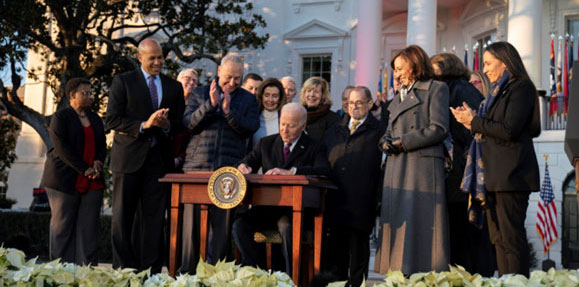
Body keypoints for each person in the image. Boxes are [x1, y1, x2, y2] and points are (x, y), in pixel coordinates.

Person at [451, 41, 541, 277]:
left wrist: (473, 121)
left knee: (512, 239)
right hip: (491, 176)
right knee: (498, 239)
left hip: (512, 175)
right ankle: (505, 281)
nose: (486, 69)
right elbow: (490, 129)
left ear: (505, 61)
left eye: (489, 63)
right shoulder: (495, 93)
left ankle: (519, 282)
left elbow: (509, 129)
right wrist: (471, 121)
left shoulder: (521, 87)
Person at [105, 38, 185, 273]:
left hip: (159, 162)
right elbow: (112, 119)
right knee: (122, 218)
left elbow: (179, 124)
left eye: (161, 57)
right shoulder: (123, 81)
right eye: (153, 58)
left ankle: (150, 272)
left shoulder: (174, 87)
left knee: (154, 220)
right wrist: (145, 124)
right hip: (127, 159)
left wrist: (166, 125)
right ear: (139, 57)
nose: (159, 62)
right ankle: (123, 271)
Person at [375, 45, 450, 275]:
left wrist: (401, 142)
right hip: (397, 168)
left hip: (421, 169)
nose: (396, 74)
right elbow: (389, 129)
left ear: (415, 64)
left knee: (421, 228)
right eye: (395, 69)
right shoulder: (398, 96)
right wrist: (385, 142)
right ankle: (399, 275)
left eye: (400, 68)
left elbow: (439, 128)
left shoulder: (437, 88)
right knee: (399, 227)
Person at [234, 102, 330, 274]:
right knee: (240, 225)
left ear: (303, 126)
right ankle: (259, 272)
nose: (285, 129)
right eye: (282, 124)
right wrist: (243, 167)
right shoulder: (266, 143)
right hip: (268, 207)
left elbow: (324, 171)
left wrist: (292, 172)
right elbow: (247, 161)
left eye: (291, 126)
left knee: (286, 226)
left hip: (296, 211)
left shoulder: (315, 146)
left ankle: (289, 277)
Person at [182, 54, 259, 264]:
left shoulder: (248, 99)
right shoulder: (199, 93)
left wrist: (228, 111)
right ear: (218, 72)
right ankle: (186, 276)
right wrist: (210, 105)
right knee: (192, 230)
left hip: (228, 171)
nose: (232, 83)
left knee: (220, 233)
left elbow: (250, 128)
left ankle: (217, 277)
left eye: (237, 78)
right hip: (196, 169)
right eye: (228, 77)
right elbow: (188, 123)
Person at [431, 53, 495, 276]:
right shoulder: (454, 88)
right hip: (460, 173)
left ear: (446, 68)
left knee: (464, 235)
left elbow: (469, 132)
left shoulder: (455, 90)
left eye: (433, 69)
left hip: (462, 173)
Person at [40, 78, 105, 265]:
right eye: (85, 93)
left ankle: (87, 273)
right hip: (63, 179)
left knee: (89, 229)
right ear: (72, 96)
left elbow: (101, 145)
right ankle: (60, 272)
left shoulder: (95, 119)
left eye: (91, 93)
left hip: (93, 179)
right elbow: (62, 148)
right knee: (62, 227)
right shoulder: (61, 117)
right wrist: (85, 169)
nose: (90, 96)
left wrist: (98, 162)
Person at [324, 86, 385, 286]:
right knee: (337, 250)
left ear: (369, 104)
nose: (354, 106)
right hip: (336, 198)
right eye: (351, 102)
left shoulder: (379, 131)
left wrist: (377, 198)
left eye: (359, 102)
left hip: (362, 199)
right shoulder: (335, 129)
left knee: (358, 249)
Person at [175, 68, 200, 274]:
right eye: (186, 79)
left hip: (189, 165)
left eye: (194, 80)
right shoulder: (171, 103)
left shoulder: (198, 105)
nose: (190, 83)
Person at [300, 77, 340, 142]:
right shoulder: (298, 116)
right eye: (308, 91)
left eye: (316, 92)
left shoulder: (333, 119)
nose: (312, 95)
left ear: (323, 95)